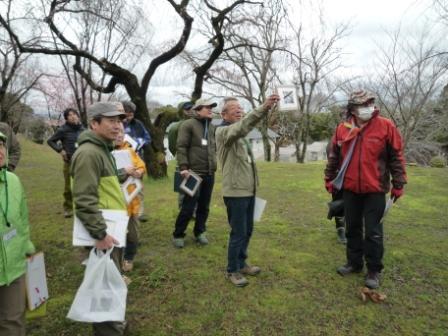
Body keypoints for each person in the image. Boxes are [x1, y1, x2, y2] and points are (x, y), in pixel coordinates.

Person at [324, 89, 407, 289]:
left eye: (370, 103)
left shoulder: (385, 126)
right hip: (350, 188)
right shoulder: (343, 128)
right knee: (352, 228)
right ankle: (354, 263)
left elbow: (396, 155)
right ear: (352, 109)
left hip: (375, 188)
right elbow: (334, 155)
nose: (367, 108)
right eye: (362, 104)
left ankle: (374, 270)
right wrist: (329, 178)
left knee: (373, 232)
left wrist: (399, 183)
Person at [70, 102, 128, 336]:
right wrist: (100, 234)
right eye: (111, 121)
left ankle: (115, 324)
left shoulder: (103, 149)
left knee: (110, 281)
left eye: (119, 121)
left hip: (112, 230)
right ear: (94, 123)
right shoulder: (89, 153)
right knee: (103, 286)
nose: (117, 126)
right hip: (103, 234)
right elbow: (84, 199)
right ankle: (109, 330)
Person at [215, 94, 279, 287]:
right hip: (235, 192)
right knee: (238, 232)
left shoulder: (240, 135)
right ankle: (232, 270)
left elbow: (245, 128)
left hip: (248, 191)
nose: (239, 110)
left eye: (240, 107)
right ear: (223, 114)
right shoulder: (223, 132)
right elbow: (242, 126)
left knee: (248, 230)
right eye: (233, 108)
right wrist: (263, 107)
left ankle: (242, 263)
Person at [0, 131, 35, 336]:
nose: (0, 151)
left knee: (13, 321)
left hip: (14, 265)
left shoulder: (13, 180)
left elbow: (22, 220)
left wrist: (26, 247)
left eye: (2, 145)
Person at [172, 99, 217, 248]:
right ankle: (178, 234)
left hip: (209, 173)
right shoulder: (188, 124)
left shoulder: (211, 127)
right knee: (188, 206)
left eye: (212, 107)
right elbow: (181, 146)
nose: (210, 109)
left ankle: (200, 232)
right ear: (197, 110)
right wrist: (183, 167)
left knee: (204, 206)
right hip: (192, 173)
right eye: (207, 107)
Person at [114, 124, 146, 272]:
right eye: (116, 132)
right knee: (117, 234)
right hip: (114, 203)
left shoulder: (130, 150)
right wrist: (123, 171)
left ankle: (129, 258)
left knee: (133, 234)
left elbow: (141, 165)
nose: (119, 135)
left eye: (121, 132)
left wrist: (139, 171)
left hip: (131, 201)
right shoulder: (105, 152)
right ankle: (117, 262)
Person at [47, 108, 84, 218]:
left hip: (83, 161)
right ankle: (68, 208)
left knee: (84, 185)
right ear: (66, 118)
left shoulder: (83, 129)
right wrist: (60, 150)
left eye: (74, 114)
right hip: (69, 162)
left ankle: (82, 207)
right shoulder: (63, 130)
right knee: (68, 187)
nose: (73, 116)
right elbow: (50, 141)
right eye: (70, 115)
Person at [121, 101, 151, 222]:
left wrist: (139, 142)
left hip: (137, 159)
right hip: (122, 160)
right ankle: (125, 212)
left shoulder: (138, 124)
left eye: (132, 113)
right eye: (127, 113)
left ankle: (139, 212)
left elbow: (147, 138)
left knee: (138, 187)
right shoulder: (117, 124)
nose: (130, 115)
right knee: (123, 186)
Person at [168, 101, 194, 209]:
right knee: (183, 183)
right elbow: (172, 145)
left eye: (192, 109)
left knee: (195, 183)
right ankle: (182, 207)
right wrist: (179, 155)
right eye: (187, 109)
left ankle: (194, 209)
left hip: (196, 159)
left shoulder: (197, 124)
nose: (190, 111)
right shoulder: (175, 127)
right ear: (181, 111)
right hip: (182, 158)